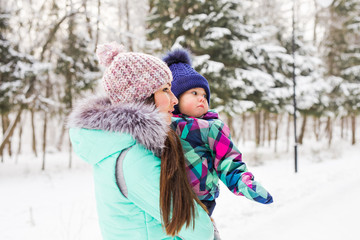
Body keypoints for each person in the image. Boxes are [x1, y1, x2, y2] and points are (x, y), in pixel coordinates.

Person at [68, 42, 214, 240]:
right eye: (165, 90)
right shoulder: (134, 159)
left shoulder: (117, 144)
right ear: (142, 95)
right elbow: (198, 229)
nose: (174, 99)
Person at [162, 49, 274, 217]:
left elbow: (228, 161)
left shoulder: (212, 127)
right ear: (175, 98)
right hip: (168, 198)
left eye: (204, 95)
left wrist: (245, 184)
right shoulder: (163, 123)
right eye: (194, 93)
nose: (202, 98)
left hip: (200, 200)